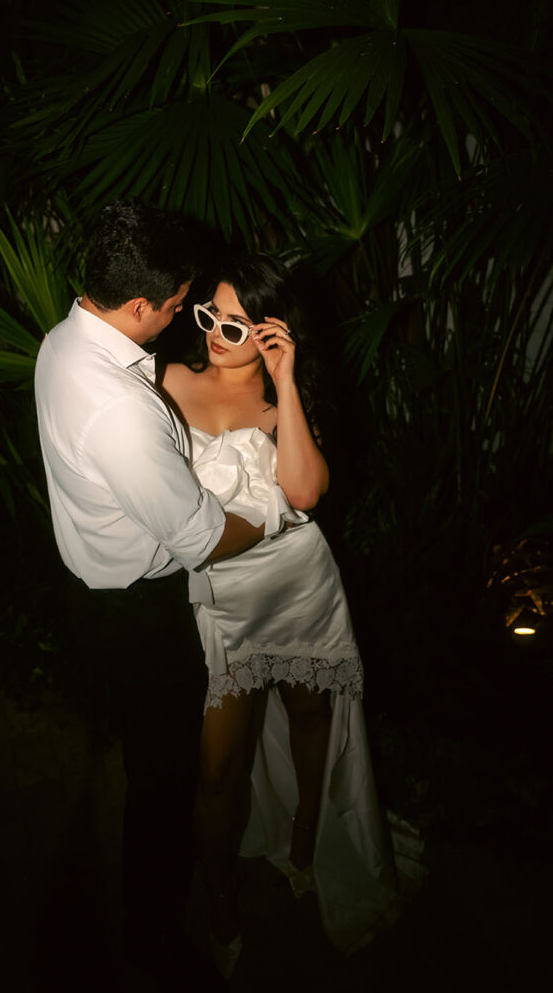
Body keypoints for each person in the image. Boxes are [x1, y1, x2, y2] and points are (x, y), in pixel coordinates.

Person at [33, 202, 268, 986]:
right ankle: (152, 939)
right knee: (163, 782)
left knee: (152, 757)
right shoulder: (122, 410)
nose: (182, 318)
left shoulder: (62, 341)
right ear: (140, 304)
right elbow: (202, 537)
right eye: (175, 305)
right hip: (137, 617)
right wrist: (273, 516)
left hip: (89, 592)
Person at [160, 252, 402, 974]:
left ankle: (304, 840)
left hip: (299, 583)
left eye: (236, 324)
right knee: (216, 768)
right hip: (226, 599)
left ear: (271, 330)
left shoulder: (282, 402)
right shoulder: (168, 385)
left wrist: (286, 379)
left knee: (307, 715)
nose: (214, 333)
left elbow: (303, 493)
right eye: (208, 317)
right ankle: (223, 896)